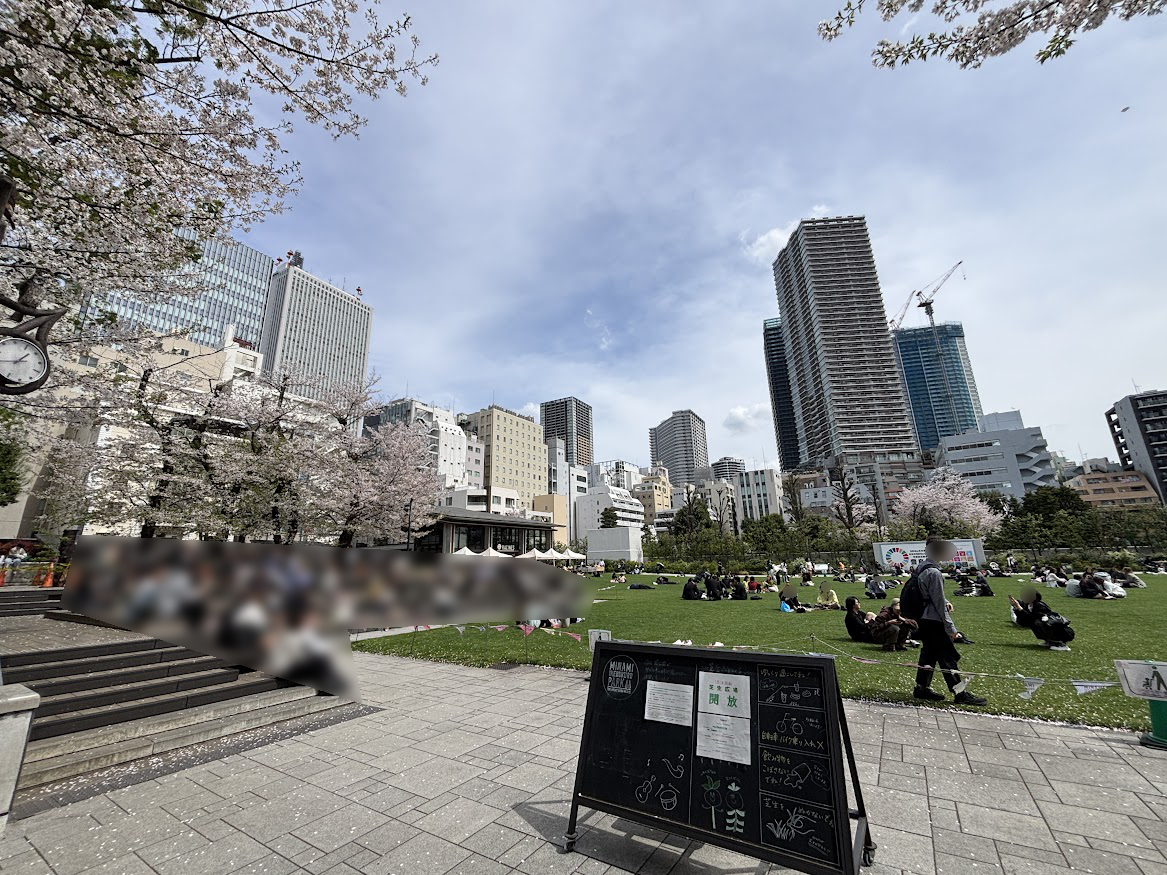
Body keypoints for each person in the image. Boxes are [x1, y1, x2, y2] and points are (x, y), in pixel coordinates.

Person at [907, 535, 986, 706]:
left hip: (923, 619)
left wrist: (945, 602)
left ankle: (921, 688)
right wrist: (951, 627)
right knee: (947, 657)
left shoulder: (921, 568)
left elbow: (931, 596)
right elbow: (939, 604)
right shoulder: (933, 572)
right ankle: (959, 693)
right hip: (933, 621)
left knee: (929, 655)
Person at [1010, 585, 1075, 651]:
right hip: (1051, 628)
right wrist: (1016, 608)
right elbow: (1025, 621)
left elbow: (1033, 618)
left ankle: (1061, 644)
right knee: (1033, 623)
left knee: (1039, 622)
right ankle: (1050, 641)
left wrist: (1020, 608)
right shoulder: (1029, 606)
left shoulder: (1039, 606)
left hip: (1063, 632)